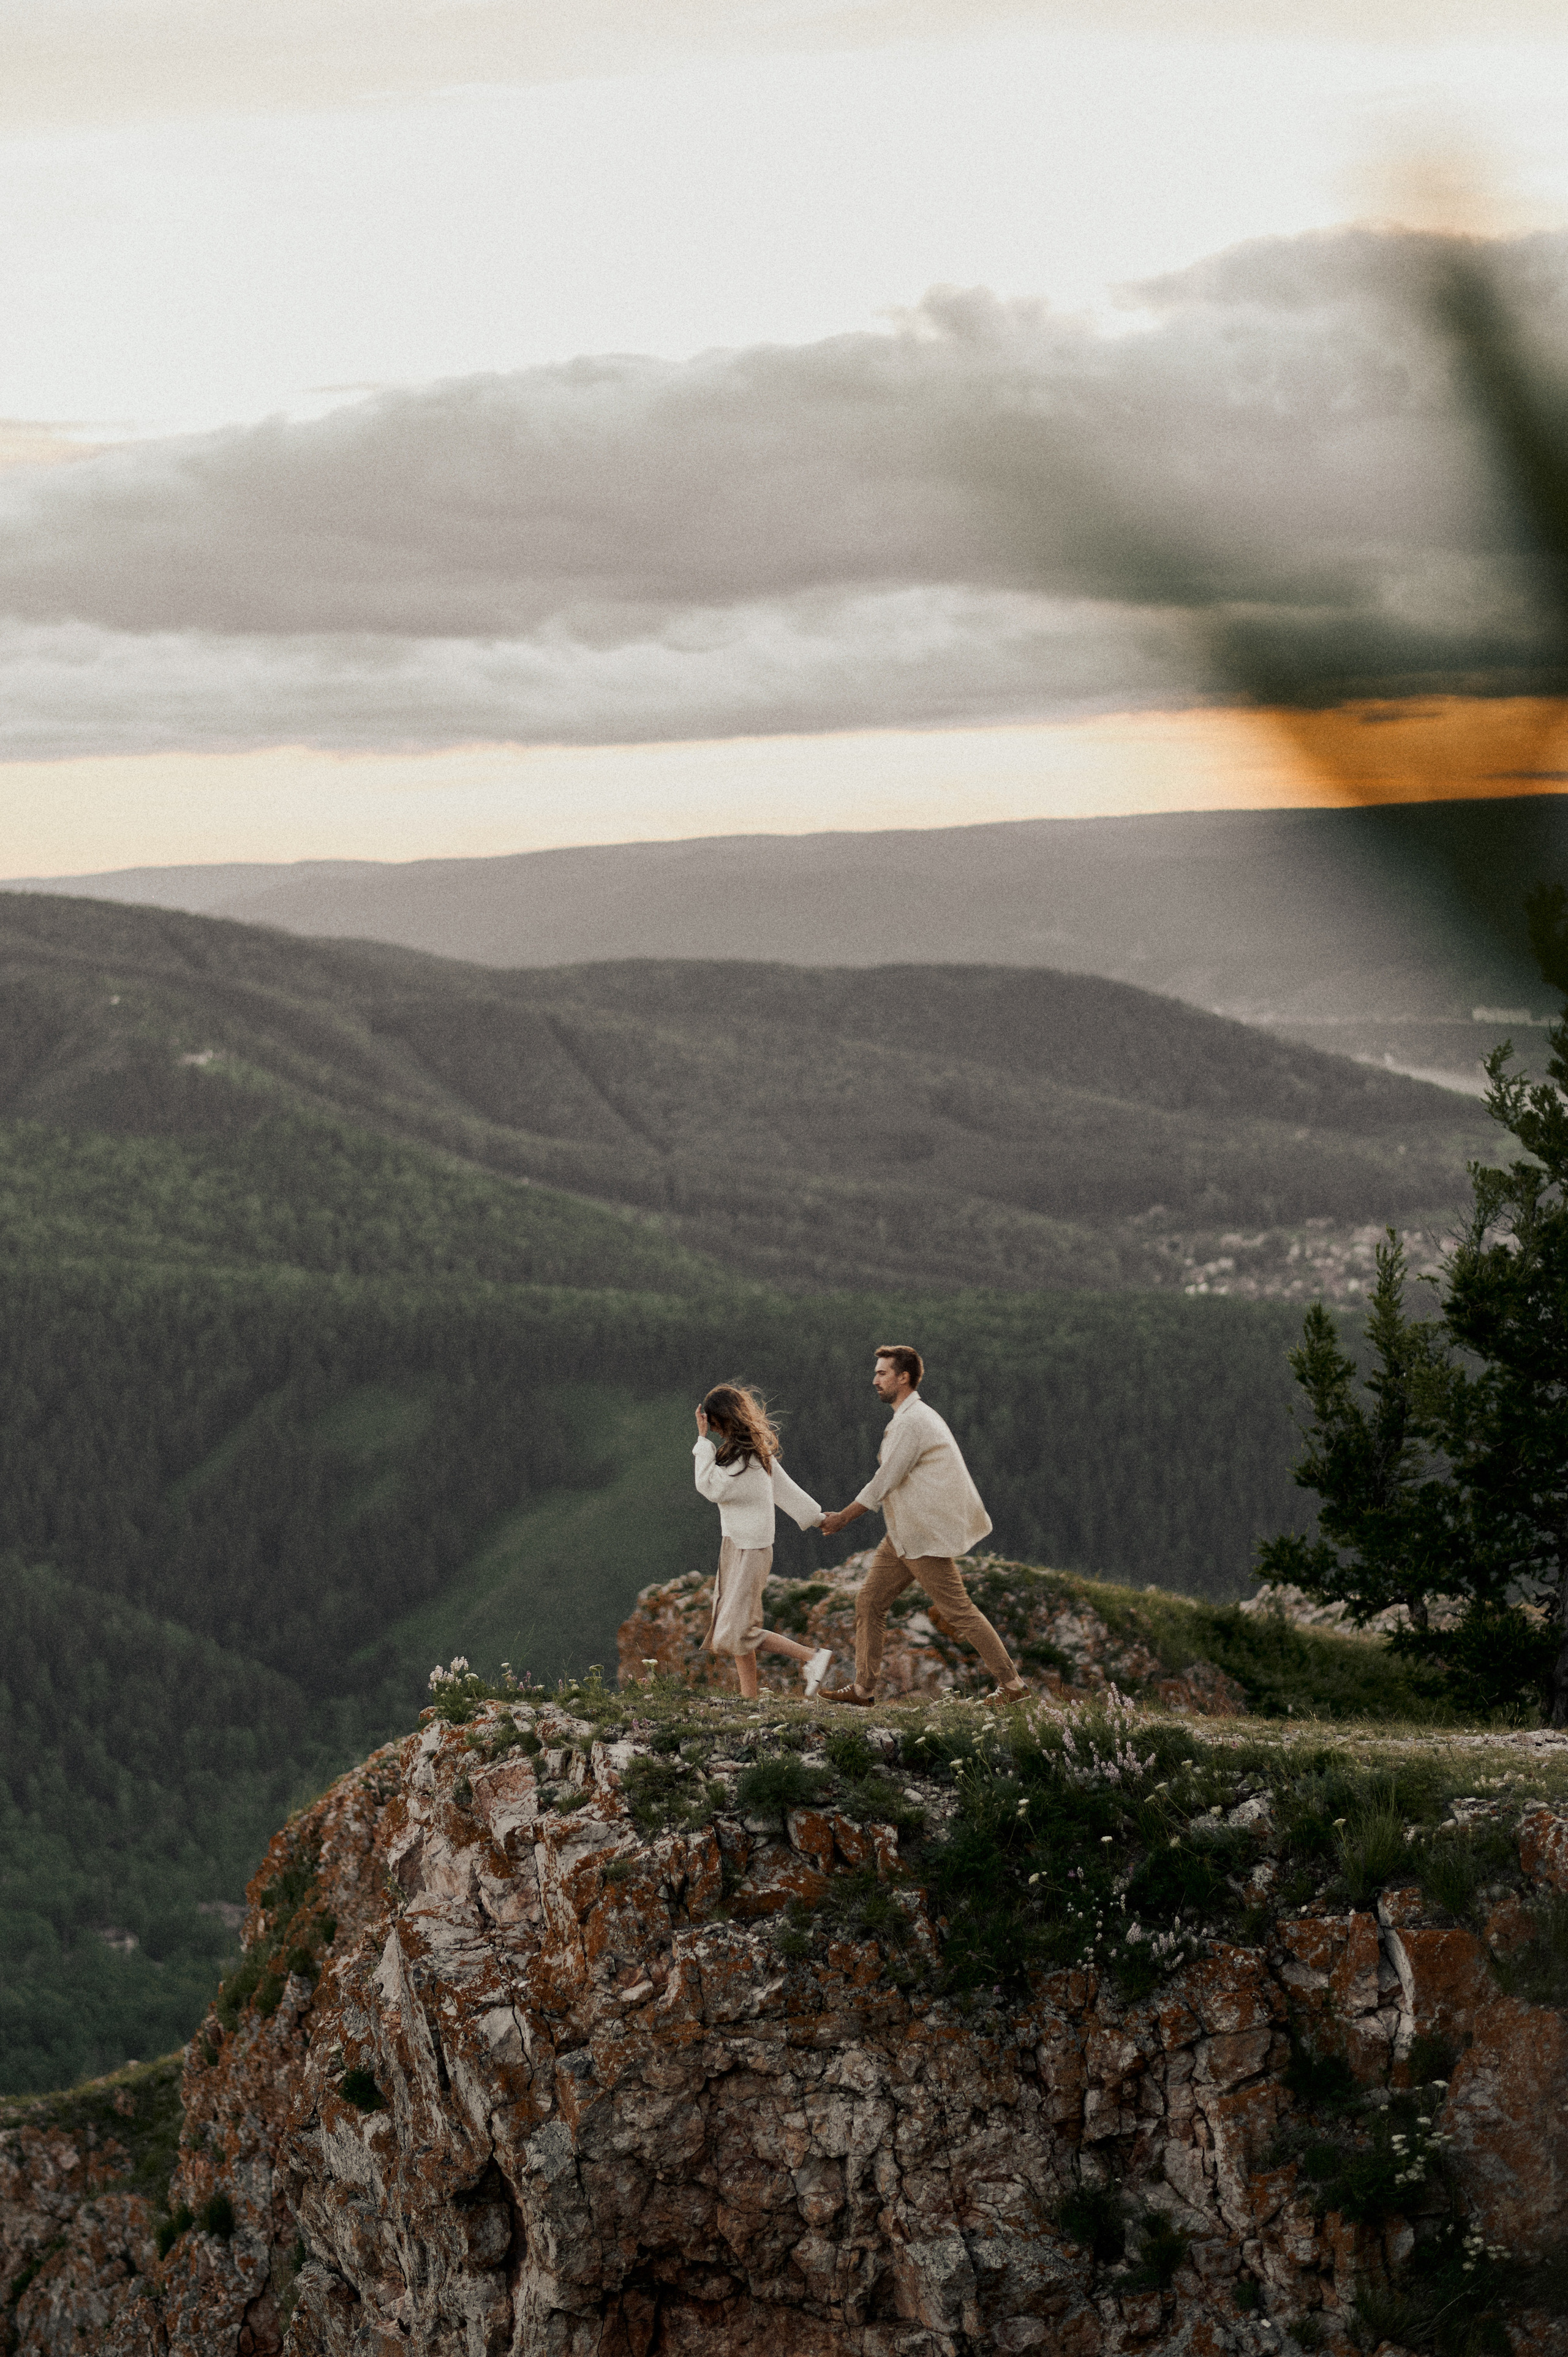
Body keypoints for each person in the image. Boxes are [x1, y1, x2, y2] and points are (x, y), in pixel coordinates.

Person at [817, 1344, 1028, 1708]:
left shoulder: (913, 1422)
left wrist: (842, 1518)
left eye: (883, 1374)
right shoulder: (910, 1418)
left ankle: (1013, 1686)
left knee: (958, 1611)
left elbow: (885, 1481)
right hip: (903, 1534)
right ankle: (863, 1691)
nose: (875, 1381)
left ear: (904, 1377)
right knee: (869, 1602)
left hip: (922, 1536)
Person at [693, 1383, 835, 1702]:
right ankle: (749, 1699)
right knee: (734, 1629)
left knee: (738, 1630)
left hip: (750, 1550)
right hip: (736, 1546)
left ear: (721, 1421)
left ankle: (813, 1658)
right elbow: (785, 1490)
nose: (712, 1430)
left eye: (713, 1424)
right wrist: (817, 1517)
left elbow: (709, 1487)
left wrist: (701, 1442)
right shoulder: (751, 1452)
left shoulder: (745, 1459)